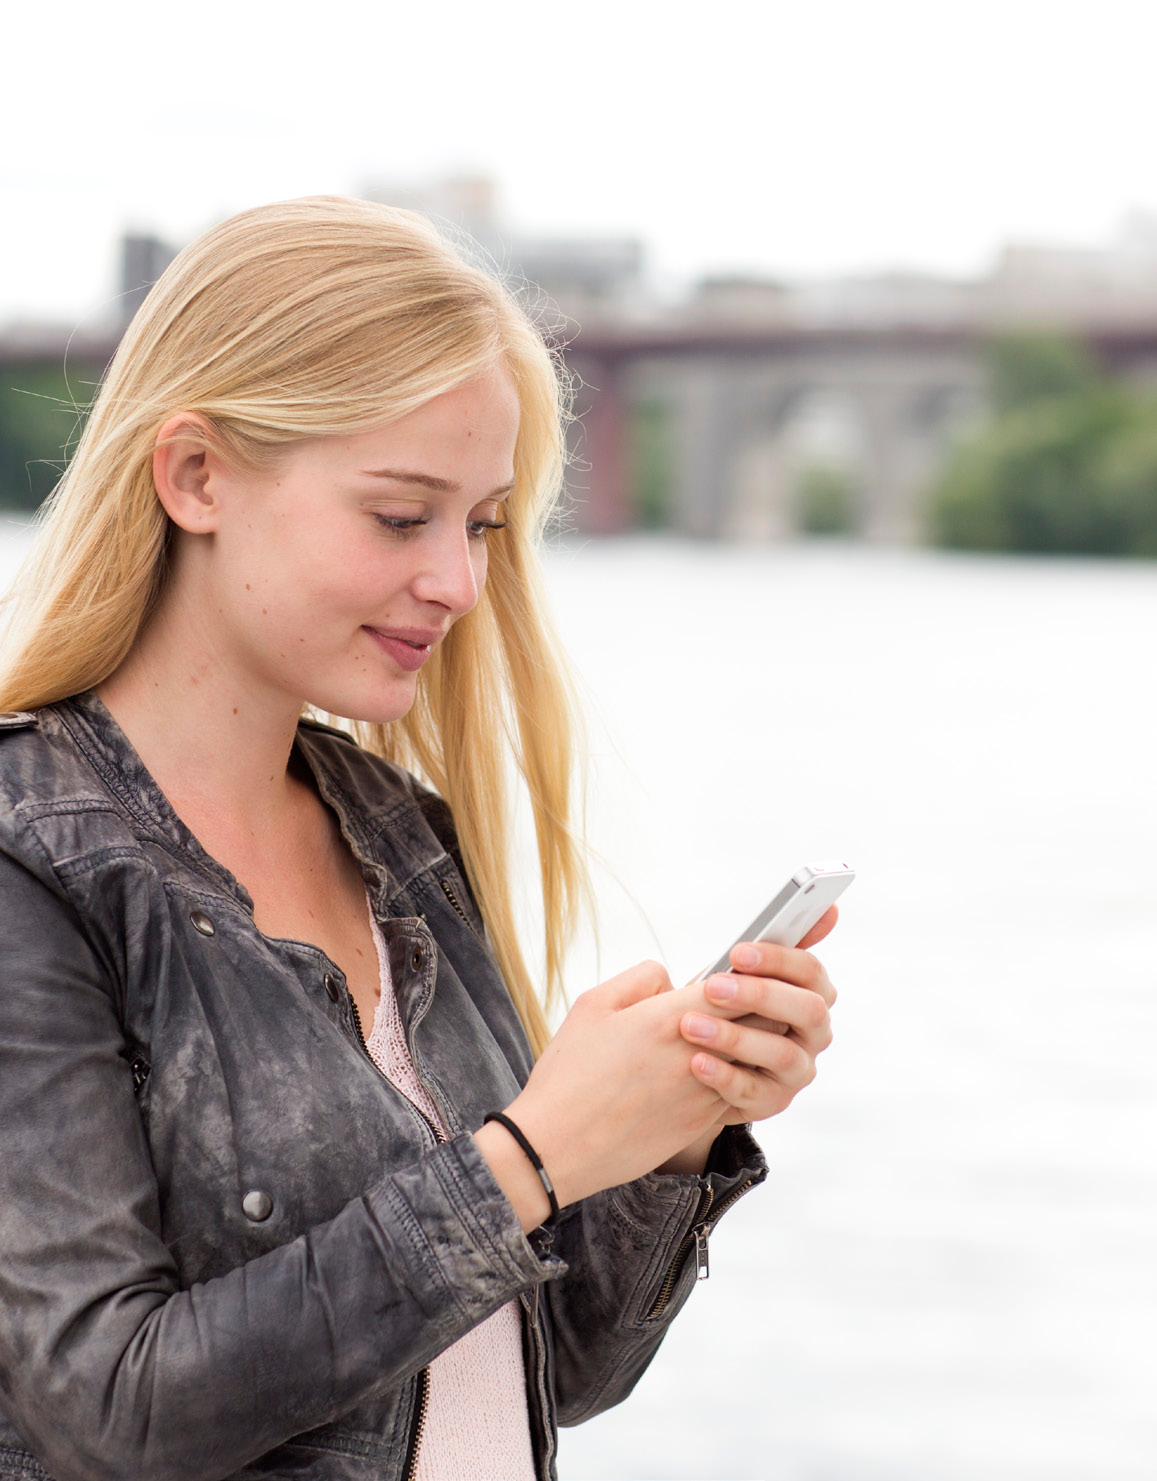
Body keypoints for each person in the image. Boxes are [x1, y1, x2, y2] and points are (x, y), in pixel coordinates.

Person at [0, 196, 837, 1481]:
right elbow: (107, 1412)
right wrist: (533, 1153)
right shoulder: (29, 863)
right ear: (195, 476)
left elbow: (551, 1365)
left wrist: (666, 1130)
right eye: (401, 516)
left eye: (483, 522)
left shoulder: (402, 837)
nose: (457, 578)